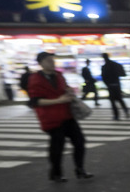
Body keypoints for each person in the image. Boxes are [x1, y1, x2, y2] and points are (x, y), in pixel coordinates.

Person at [27, 51, 93, 182]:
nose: (52, 62)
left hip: (67, 115)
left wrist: (69, 91)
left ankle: (80, 169)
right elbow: (35, 101)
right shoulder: (35, 79)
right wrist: (58, 100)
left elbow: (65, 88)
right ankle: (56, 173)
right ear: (41, 63)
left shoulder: (59, 75)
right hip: (51, 118)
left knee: (79, 142)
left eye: (52, 60)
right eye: (48, 60)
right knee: (58, 146)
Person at [101, 53, 130, 120]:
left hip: (111, 86)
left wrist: (107, 84)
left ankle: (116, 115)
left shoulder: (105, 67)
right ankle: (126, 110)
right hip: (116, 84)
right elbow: (122, 73)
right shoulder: (114, 64)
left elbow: (104, 77)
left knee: (113, 101)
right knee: (119, 99)